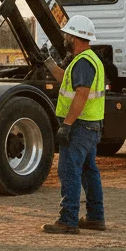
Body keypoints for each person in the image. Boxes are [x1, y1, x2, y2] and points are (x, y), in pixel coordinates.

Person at [42, 15, 106, 234]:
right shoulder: (86, 60)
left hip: (79, 126)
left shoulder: (83, 62)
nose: (65, 37)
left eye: (67, 34)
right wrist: (48, 62)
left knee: (69, 170)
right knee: (89, 171)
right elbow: (65, 79)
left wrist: (67, 125)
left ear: (75, 36)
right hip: (89, 125)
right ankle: (96, 218)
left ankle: (68, 220)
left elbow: (81, 94)